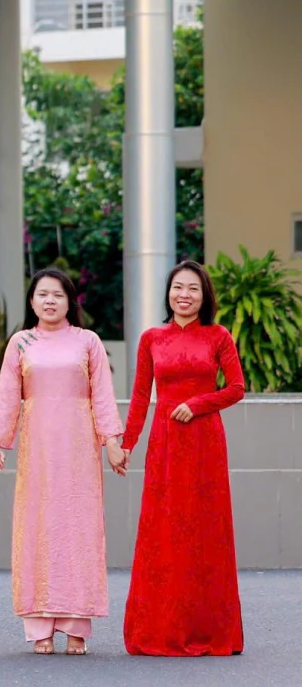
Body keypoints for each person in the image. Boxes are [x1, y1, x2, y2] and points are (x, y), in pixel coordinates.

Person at [0, 267, 124, 655]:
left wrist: (112, 441)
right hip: (38, 450)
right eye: (43, 294)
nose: (50, 301)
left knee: (79, 527)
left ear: (70, 301)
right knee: (38, 527)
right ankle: (40, 625)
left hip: (79, 449)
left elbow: (103, 396)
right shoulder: (21, 343)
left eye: (58, 295)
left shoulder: (88, 341)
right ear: (32, 301)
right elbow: (7, 397)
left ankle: (77, 625)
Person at [119, 259, 247, 657]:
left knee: (206, 530)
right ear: (168, 294)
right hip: (166, 444)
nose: (184, 295)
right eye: (178, 287)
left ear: (204, 295)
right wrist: (127, 443)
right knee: (165, 529)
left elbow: (237, 388)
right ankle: (161, 628)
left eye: (193, 288)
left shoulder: (218, 336)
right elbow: (141, 396)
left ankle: (209, 629)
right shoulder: (152, 339)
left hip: (205, 443)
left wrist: (198, 404)